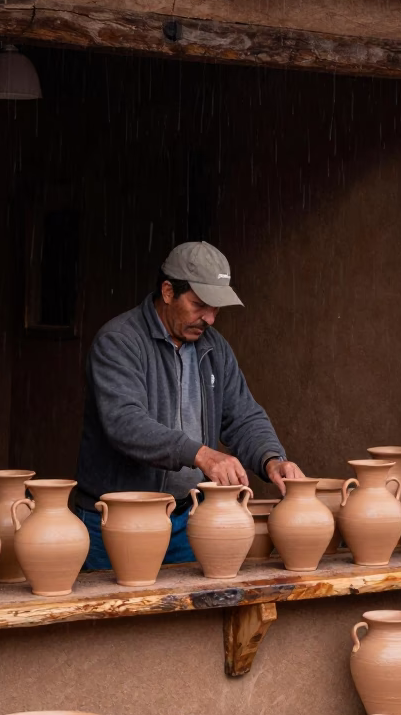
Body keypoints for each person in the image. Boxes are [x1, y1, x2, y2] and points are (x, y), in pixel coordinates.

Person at [75, 241, 304, 567]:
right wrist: (201, 454)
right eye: (199, 305)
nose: (209, 318)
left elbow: (243, 415)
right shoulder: (119, 341)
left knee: (188, 618)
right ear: (168, 292)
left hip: (189, 520)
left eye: (216, 308)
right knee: (119, 617)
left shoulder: (215, 348)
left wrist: (272, 459)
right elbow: (125, 423)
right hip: (116, 524)